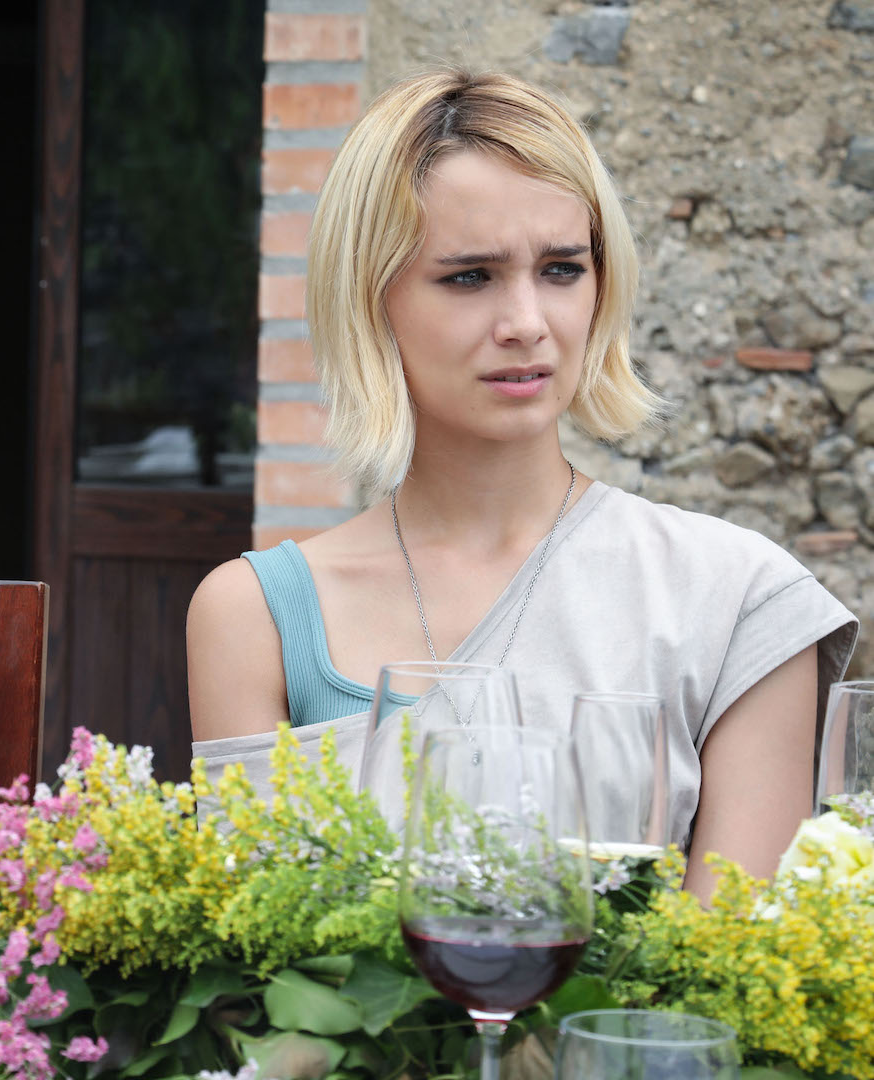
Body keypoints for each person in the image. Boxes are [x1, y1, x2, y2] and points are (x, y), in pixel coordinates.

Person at [186, 68, 857, 896]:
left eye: (563, 269)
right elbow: (254, 956)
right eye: (470, 276)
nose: (528, 324)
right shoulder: (253, 616)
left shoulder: (738, 602)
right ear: (369, 299)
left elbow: (727, 959)